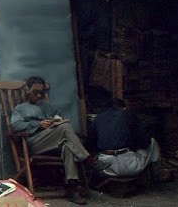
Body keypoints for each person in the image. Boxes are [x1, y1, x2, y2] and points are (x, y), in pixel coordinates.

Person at [11, 76, 111, 205]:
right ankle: (88, 160)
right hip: (35, 143)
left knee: (68, 146)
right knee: (65, 128)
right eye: (36, 92)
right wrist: (39, 124)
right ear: (27, 90)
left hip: (54, 142)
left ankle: (72, 188)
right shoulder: (20, 108)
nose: (39, 95)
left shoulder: (47, 107)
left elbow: (57, 117)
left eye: (42, 92)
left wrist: (55, 120)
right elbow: (16, 125)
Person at [87, 98, 172, 182]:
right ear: (124, 108)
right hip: (129, 166)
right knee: (152, 142)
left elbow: (89, 144)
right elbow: (145, 142)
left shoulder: (98, 118)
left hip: (105, 168)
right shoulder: (128, 115)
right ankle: (156, 174)